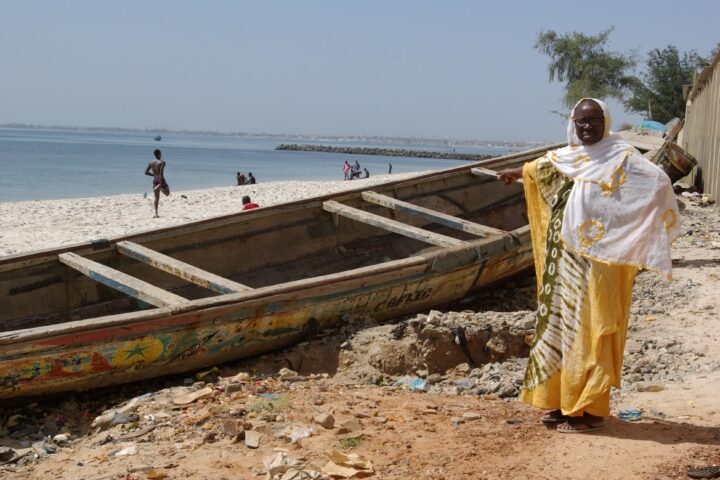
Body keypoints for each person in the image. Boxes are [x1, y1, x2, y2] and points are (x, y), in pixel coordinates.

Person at [497, 98, 679, 433]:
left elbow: (658, 182)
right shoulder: (569, 156)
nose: (586, 126)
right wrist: (516, 173)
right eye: (580, 121)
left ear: (605, 122)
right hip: (562, 261)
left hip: (598, 264)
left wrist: (627, 228)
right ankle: (561, 401)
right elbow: (539, 169)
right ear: (573, 123)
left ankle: (589, 409)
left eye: (593, 120)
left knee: (591, 327)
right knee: (559, 325)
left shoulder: (621, 156)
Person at [144, 149, 169, 218]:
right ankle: (160, 188)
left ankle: (156, 213)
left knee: (156, 197)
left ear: (154, 155)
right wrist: (160, 183)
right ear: (159, 154)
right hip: (161, 179)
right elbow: (161, 173)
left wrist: (153, 175)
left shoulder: (151, 162)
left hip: (155, 180)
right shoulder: (162, 162)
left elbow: (146, 172)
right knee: (167, 193)